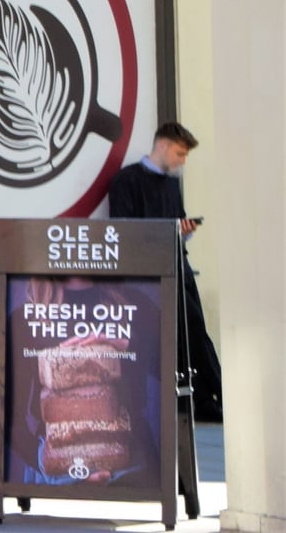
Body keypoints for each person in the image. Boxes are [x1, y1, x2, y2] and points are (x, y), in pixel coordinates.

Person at [107, 121, 223, 423]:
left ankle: (207, 398)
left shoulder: (172, 184)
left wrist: (184, 231)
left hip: (177, 264)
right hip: (147, 273)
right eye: (180, 153)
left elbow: (176, 223)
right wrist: (170, 231)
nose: (182, 161)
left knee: (195, 332)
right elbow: (123, 230)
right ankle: (196, 399)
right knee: (168, 336)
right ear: (162, 145)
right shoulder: (126, 181)